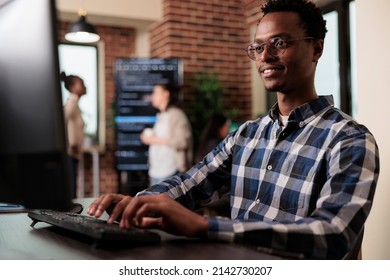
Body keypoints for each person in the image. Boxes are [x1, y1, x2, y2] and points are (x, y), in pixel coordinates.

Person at [88, 0, 380, 259]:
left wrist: (206, 225)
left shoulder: (349, 139)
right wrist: (139, 203)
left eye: (279, 43)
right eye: (258, 47)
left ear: (316, 48)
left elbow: (333, 233)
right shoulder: (247, 135)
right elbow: (191, 183)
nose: (265, 56)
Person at [140, 83, 193, 186]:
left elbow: (182, 142)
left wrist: (154, 140)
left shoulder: (176, 115)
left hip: (170, 172)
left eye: (155, 93)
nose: (152, 96)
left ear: (166, 95)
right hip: (155, 171)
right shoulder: (161, 115)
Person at [60, 72, 86, 198]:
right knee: (71, 192)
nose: (85, 86)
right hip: (70, 153)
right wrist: (71, 144)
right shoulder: (71, 102)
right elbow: (61, 122)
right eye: (81, 83)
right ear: (72, 87)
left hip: (73, 154)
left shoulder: (75, 103)